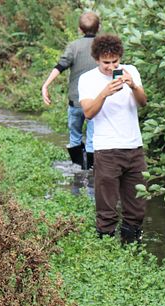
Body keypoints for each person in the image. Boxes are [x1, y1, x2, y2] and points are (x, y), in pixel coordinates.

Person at [78, 34, 148, 243]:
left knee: (137, 204)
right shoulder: (88, 79)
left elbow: (143, 103)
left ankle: (131, 246)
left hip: (134, 147)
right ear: (97, 59)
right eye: (106, 62)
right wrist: (104, 93)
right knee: (106, 206)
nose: (111, 67)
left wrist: (133, 85)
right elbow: (88, 113)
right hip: (106, 149)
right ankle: (105, 246)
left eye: (115, 61)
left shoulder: (131, 71)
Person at [41, 11, 100, 170]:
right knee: (92, 139)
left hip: (76, 102)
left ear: (80, 29)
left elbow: (60, 66)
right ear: (98, 28)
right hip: (96, 103)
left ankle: (78, 170)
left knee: (75, 137)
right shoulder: (102, 46)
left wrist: (45, 85)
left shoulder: (74, 46)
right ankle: (91, 173)